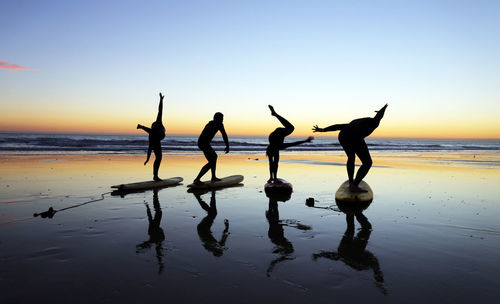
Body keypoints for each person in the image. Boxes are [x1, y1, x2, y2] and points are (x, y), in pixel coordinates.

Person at [313, 104, 388, 192]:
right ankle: (354, 186)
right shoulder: (373, 122)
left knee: (351, 157)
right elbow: (379, 116)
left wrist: (322, 129)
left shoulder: (358, 121)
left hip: (343, 135)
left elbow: (338, 126)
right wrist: (384, 107)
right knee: (367, 163)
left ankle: (351, 183)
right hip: (354, 136)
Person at [267, 105, 313, 183]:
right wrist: (305, 141)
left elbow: (272, 163)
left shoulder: (276, 146)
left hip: (275, 136)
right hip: (276, 135)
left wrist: (306, 141)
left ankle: (272, 177)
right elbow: (294, 143)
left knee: (273, 162)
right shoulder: (279, 146)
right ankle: (273, 177)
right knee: (274, 162)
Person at [193, 112, 229, 184]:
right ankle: (197, 179)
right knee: (212, 161)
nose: (222, 120)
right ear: (218, 119)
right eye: (222, 118)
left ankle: (213, 177)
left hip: (202, 143)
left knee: (214, 158)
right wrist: (227, 145)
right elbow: (224, 135)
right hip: (204, 143)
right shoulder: (218, 124)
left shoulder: (211, 123)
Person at [137, 93, 166, 181]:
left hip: (156, 142)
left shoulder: (156, 127)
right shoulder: (156, 127)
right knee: (159, 158)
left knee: (158, 158)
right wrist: (161, 100)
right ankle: (155, 176)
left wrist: (147, 159)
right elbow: (160, 111)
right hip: (156, 142)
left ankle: (155, 176)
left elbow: (160, 110)